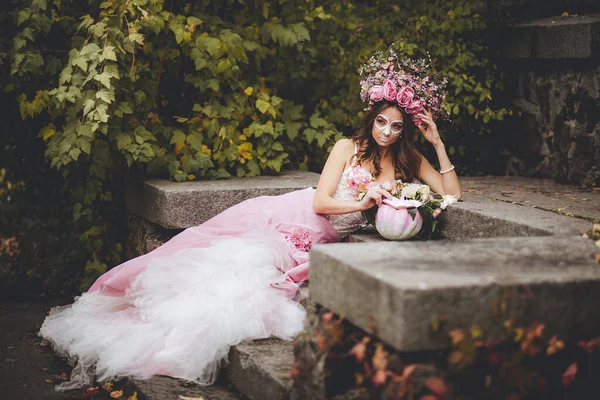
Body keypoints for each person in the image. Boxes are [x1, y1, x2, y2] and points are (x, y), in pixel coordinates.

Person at [40, 50, 461, 390]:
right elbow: (320, 202)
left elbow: (453, 195)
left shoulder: (409, 159)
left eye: (395, 126)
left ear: (406, 130)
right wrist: (365, 203)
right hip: (294, 218)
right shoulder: (346, 146)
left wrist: (437, 143)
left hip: (326, 240)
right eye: (382, 122)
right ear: (372, 120)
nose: (386, 131)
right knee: (225, 270)